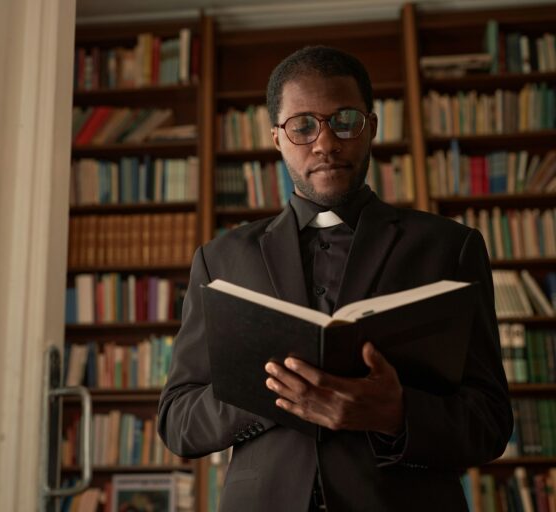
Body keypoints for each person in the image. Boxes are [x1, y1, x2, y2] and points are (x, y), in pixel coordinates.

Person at [157, 46, 513, 512]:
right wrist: (268, 391)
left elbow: (489, 421)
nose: (325, 143)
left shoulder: (451, 247)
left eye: (344, 120)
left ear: (372, 127)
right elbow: (177, 422)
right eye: (302, 125)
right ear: (277, 139)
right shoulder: (219, 260)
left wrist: (396, 414)